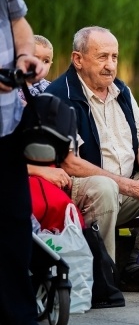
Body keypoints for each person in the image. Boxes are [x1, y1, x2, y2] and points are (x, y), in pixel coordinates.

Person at [48, 26, 139, 293]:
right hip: (82, 189)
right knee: (105, 187)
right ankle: (103, 275)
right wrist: (130, 186)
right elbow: (70, 163)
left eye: (114, 57)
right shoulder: (60, 96)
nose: (110, 65)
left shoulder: (122, 91)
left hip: (124, 187)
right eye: (102, 57)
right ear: (78, 59)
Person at [0, 0, 68, 325]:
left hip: (7, 126)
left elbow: (20, 24)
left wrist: (25, 58)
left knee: (13, 225)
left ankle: (19, 324)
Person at [25, 34, 84, 232]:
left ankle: (71, 253)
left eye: (46, 61)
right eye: (34, 58)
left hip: (50, 162)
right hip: (24, 168)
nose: (40, 65)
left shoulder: (54, 92)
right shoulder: (10, 95)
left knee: (63, 205)